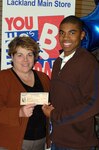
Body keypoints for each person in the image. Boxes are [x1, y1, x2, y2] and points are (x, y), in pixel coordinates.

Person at [42, 15, 99, 150]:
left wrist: (56, 116)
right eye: (62, 33)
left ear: (82, 35)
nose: (66, 38)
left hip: (78, 144)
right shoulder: (58, 62)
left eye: (72, 33)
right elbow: (61, 97)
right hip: (57, 138)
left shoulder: (88, 63)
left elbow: (93, 104)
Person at [0, 36, 50, 150]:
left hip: (39, 141)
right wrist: (19, 112)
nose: (25, 60)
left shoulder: (44, 78)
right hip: (7, 142)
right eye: (20, 55)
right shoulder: (2, 78)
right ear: (12, 57)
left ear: (35, 57)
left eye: (29, 54)